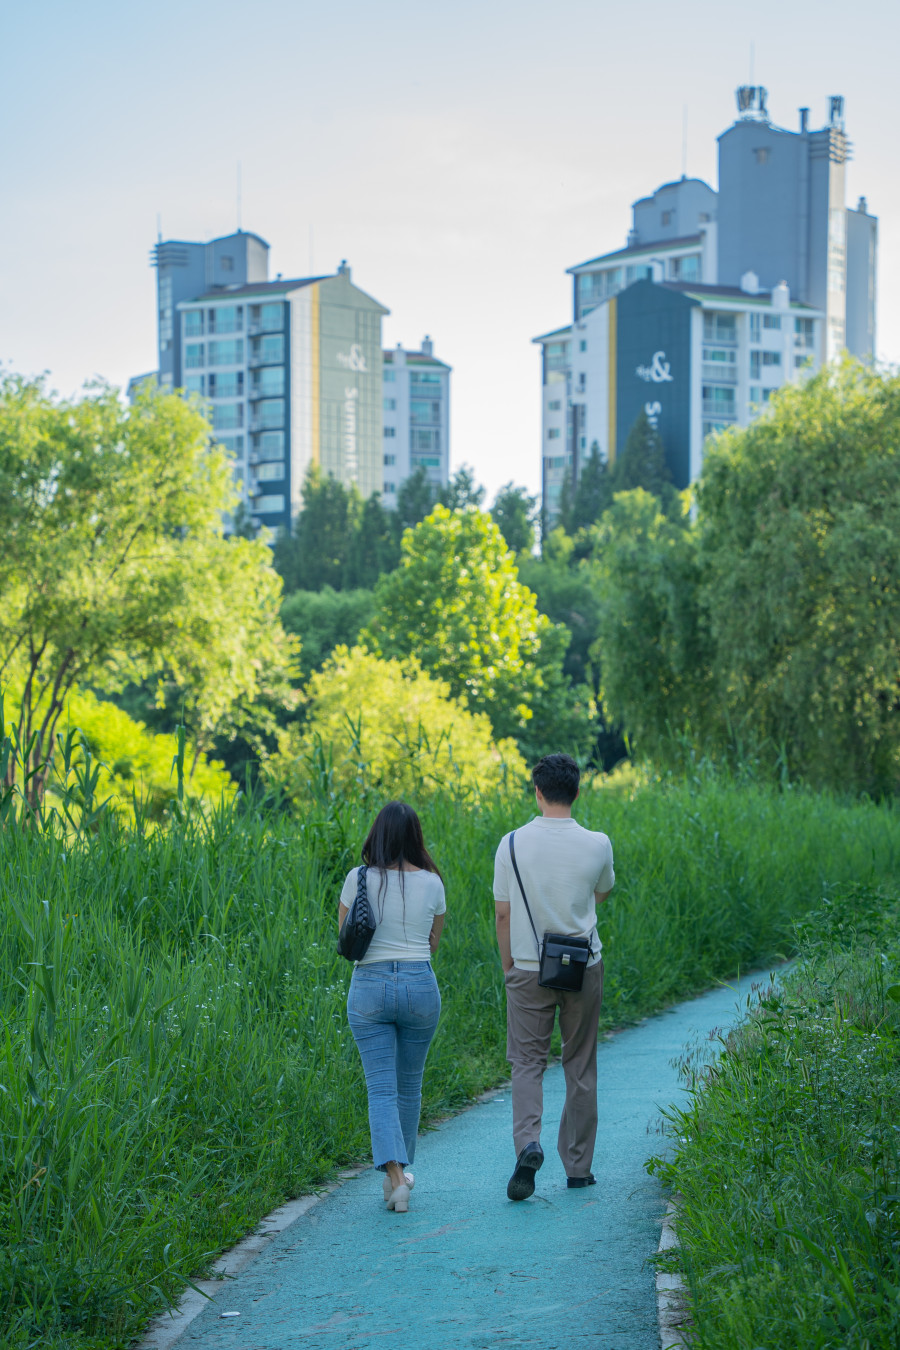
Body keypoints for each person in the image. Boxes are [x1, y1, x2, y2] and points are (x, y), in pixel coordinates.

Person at [493, 753, 614, 1200]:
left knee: (527, 1063)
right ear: (577, 792)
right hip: (583, 964)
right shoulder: (598, 843)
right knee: (579, 1063)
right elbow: (601, 892)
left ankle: (529, 1144)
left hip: (527, 967)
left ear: (538, 792)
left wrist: (509, 965)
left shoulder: (511, 844)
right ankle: (579, 1169)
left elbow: (502, 914)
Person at [339, 800, 445, 1214]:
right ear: (415, 837)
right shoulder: (433, 883)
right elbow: (433, 943)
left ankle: (396, 1178)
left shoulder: (358, 877)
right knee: (410, 1085)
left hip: (369, 985)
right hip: (420, 984)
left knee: (381, 1088)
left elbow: (346, 936)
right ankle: (398, 1175)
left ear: (377, 834)